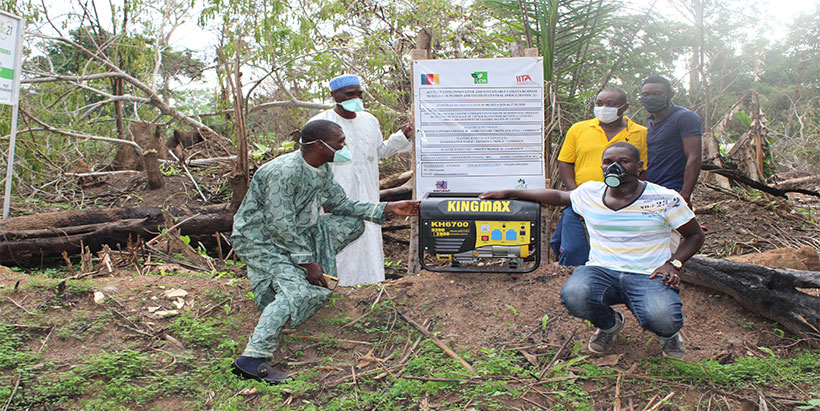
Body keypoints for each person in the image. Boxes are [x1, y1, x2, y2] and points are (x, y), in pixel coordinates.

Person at [230, 120, 419, 384]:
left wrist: (387, 208)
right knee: (298, 293)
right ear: (320, 145)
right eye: (340, 142)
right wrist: (308, 263)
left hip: (298, 233)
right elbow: (279, 224)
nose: (344, 146)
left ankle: (292, 276)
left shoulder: (321, 168)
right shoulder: (282, 172)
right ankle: (251, 359)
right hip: (261, 240)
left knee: (352, 223)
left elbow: (340, 203)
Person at [481, 142, 705, 359]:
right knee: (575, 295)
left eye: (624, 161)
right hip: (602, 271)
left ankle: (668, 334)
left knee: (663, 317)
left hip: (649, 274)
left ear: (639, 166)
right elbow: (558, 197)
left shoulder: (664, 198)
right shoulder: (590, 193)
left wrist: (674, 263)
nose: (614, 167)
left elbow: (695, 235)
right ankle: (609, 325)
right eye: (608, 162)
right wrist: (509, 192)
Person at [308, 74, 414, 286]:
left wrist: (402, 137)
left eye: (359, 94)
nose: (356, 98)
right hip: (336, 195)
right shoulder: (320, 123)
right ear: (334, 95)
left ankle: (371, 283)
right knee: (339, 241)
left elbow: (379, 151)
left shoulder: (369, 120)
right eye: (349, 94)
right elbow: (311, 165)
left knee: (368, 237)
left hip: (367, 192)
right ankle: (338, 286)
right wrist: (322, 198)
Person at [551, 87, 647, 266]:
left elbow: (643, 169)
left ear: (624, 107)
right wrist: (576, 194)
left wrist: (632, 197)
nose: (604, 108)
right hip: (583, 200)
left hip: (621, 202)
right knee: (572, 248)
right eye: (599, 103)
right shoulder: (579, 129)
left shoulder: (640, 133)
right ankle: (573, 276)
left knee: (614, 248)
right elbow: (565, 163)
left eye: (611, 104)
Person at [640, 75, 702, 208]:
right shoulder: (651, 121)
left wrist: (685, 194)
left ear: (671, 95)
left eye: (657, 94)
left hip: (673, 190)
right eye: (646, 94)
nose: (651, 98)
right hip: (650, 189)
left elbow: (694, 157)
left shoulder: (685, 117)